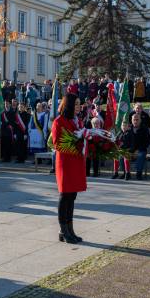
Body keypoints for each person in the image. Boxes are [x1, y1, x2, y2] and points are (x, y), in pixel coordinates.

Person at [52, 94, 87, 244]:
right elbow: (57, 143)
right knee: (64, 196)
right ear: (70, 105)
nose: (79, 106)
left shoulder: (78, 120)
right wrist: (76, 143)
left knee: (72, 196)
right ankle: (64, 230)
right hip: (65, 163)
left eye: (80, 104)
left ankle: (69, 230)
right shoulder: (59, 121)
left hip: (76, 162)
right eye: (77, 104)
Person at [130, 113, 150, 180]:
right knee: (122, 155)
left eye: (137, 119)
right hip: (130, 149)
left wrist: (137, 150)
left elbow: (147, 142)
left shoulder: (144, 129)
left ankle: (138, 173)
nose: (135, 121)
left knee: (140, 155)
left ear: (140, 120)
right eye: (134, 119)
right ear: (131, 120)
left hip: (141, 150)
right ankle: (125, 173)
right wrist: (131, 150)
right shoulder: (128, 128)